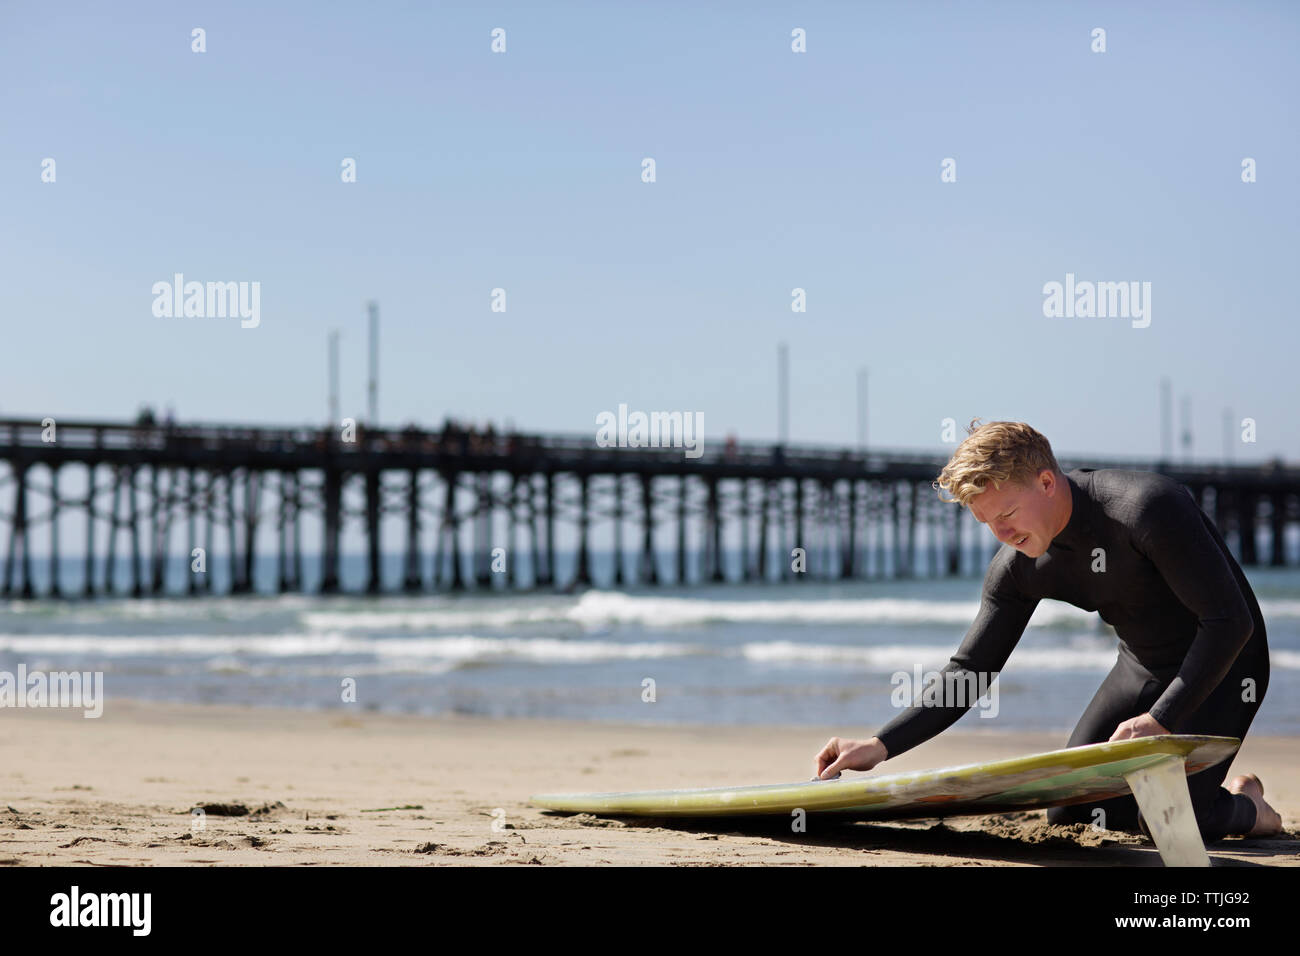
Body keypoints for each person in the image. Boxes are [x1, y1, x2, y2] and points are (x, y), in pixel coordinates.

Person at [813, 419, 1281, 841]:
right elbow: (972, 668)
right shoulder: (1017, 570)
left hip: (1227, 663)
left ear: (1045, 482)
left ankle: (1250, 807)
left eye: (1008, 513)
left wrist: (1160, 718)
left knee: (1170, 819)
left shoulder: (1146, 508)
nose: (1002, 533)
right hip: (1143, 666)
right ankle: (1192, 794)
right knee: (1073, 814)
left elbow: (1229, 621)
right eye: (987, 522)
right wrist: (881, 744)